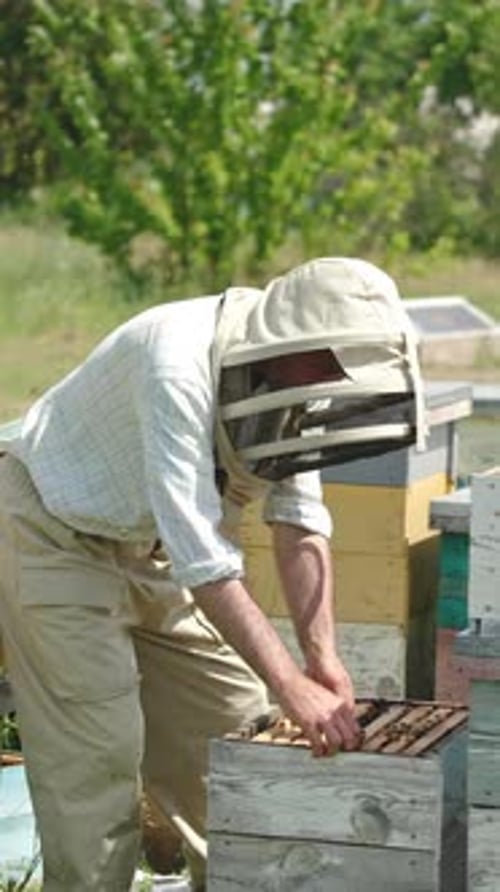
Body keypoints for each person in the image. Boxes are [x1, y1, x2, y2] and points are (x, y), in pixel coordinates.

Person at [0, 256, 426, 891]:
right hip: (50, 529)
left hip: (149, 546)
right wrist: (291, 685)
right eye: (332, 361)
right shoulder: (175, 362)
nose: (339, 379)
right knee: (97, 757)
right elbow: (204, 554)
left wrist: (322, 659)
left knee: (232, 721)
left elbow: (300, 521)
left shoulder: (292, 385)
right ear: (290, 340)